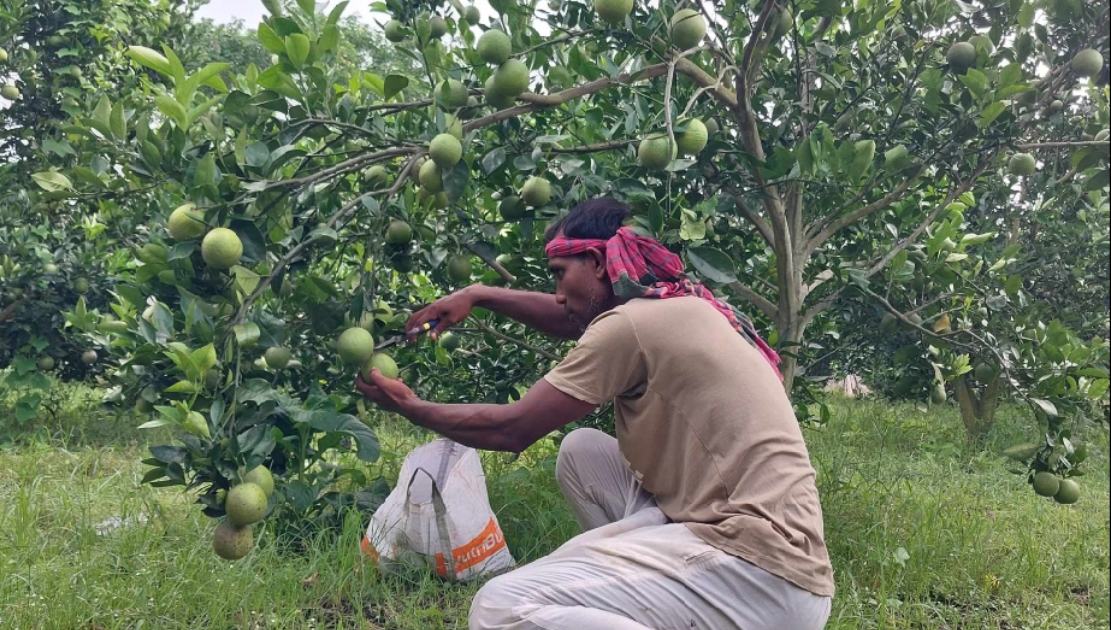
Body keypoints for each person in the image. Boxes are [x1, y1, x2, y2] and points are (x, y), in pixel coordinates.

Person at [356, 197, 834, 630]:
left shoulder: (631, 326)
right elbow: (571, 318)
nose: (559, 293)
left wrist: (412, 408)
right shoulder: (673, 308)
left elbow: (514, 428)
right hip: (779, 562)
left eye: (561, 273)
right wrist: (480, 295)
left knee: (500, 607)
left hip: (757, 573)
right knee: (581, 452)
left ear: (599, 264)